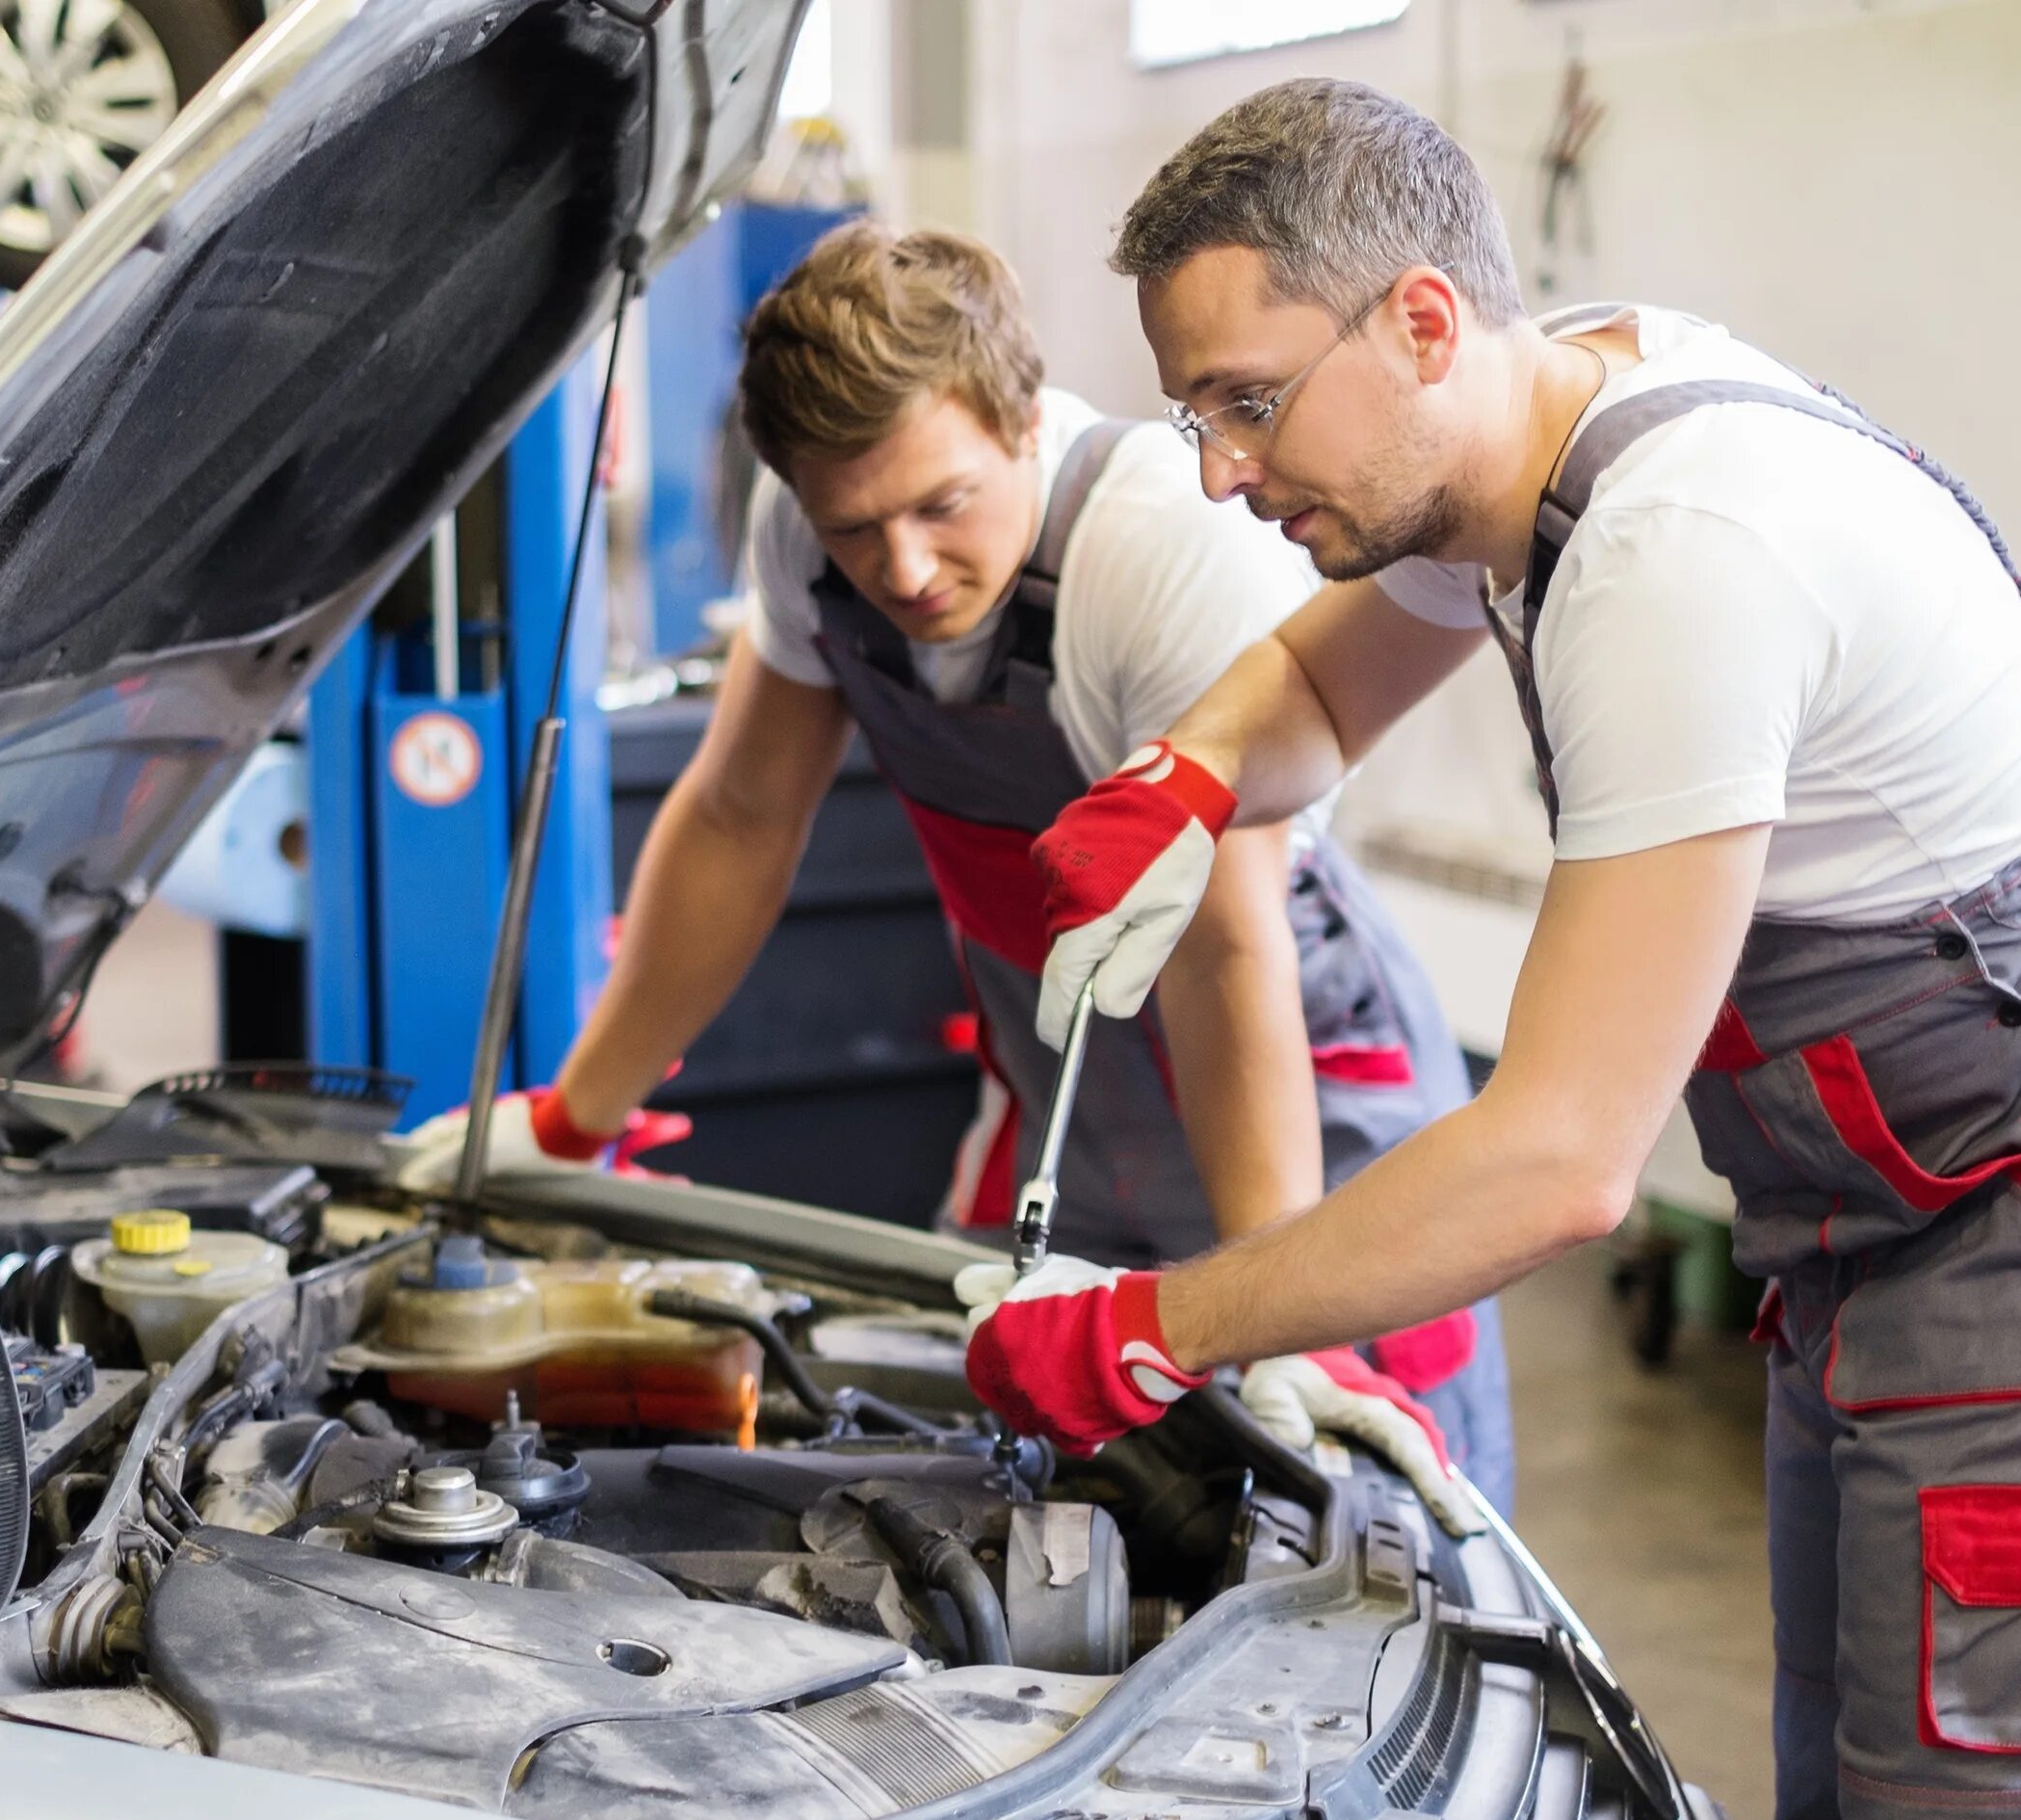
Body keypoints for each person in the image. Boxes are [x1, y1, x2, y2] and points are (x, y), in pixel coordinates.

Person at [960, 77, 2021, 1820]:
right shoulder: (1524, 411)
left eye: (1248, 402)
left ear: (1418, 316)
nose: (1223, 470)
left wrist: (1155, 1327)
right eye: (1192, 412)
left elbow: (1559, 1161)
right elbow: (1324, 697)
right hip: (1883, 1233)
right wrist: (1185, 771)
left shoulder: (1674, 554)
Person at [406, 221, 1510, 1508]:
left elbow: (1222, 945)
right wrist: (575, 1116)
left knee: (1362, 1513)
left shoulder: (1157, 554)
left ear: (1024, 418)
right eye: (858, 526)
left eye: (942, 505)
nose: (906, 570)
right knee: (976, 1463)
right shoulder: (812, 529)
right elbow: (741, 817)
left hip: (1296, 1085)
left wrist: (1281, 1299)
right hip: (1063, 1081)